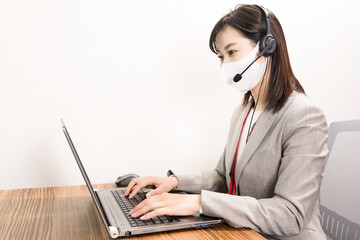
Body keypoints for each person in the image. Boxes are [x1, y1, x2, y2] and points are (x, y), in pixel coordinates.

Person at [124, 4, 328, 239]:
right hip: (246, 233)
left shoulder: (304, 116)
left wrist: (198, 203)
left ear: (267, 48)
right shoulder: (244, 111)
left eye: (231, 52)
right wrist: (174, 181)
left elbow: (290, 215)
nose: (225, 64)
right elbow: (223, 178)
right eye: (221, 56)